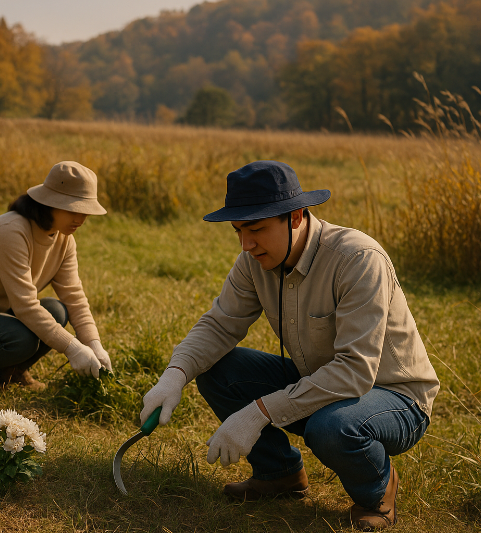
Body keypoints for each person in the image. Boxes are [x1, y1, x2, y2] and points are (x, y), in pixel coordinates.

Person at [140, 161, 439, 530]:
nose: (246, 244)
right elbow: (219, 325)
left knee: (331, 427)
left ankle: (377, 491)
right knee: (216, 369)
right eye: (238, 231)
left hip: (395, 396)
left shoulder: (358, 259)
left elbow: (355, 371)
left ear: (295, 217)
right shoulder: (254, 261)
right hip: (320, 380)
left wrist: (258, 413)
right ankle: (279, 474)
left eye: (256, 229)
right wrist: (175, 373)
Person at [0, 161, 113, 391]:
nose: (80, 220)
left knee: (58, 310)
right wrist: (72, 347)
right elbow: (25, 305)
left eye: (85, 212)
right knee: (22, 339)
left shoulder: (64, 240)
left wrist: (93, 344)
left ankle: (14, 372)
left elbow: (74, 296)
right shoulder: (12, 230)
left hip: (2, 310)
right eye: (74, 209)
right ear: (51, 203)